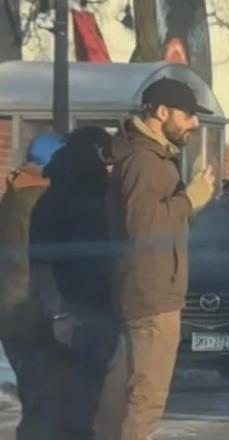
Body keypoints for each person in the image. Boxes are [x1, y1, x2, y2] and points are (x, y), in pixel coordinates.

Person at [94, 77, 215, 440]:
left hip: (143, 291)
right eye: (188, 114)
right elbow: (144, 227)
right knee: (146, 400)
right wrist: (190, 199)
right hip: (152, 296)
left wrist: (187, 203)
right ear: (162, 113)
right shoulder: (145, 161)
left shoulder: (147, 157)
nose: (195, 123)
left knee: (120, 398)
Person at [29, 126, 117, 440]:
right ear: (96, 153)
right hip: (74, 314)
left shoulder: (95, 195)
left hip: (98, 309)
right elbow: (41, 263)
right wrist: (59, 313)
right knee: (76, 400)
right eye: (109, 158)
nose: (112, 166)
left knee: (90, 398)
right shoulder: (61, 200)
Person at [0, 133, 65, 440]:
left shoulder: (15, 192)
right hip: (34, 308)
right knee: (46, 395)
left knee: (33, 391)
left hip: (11, 308)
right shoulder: (42, 198)